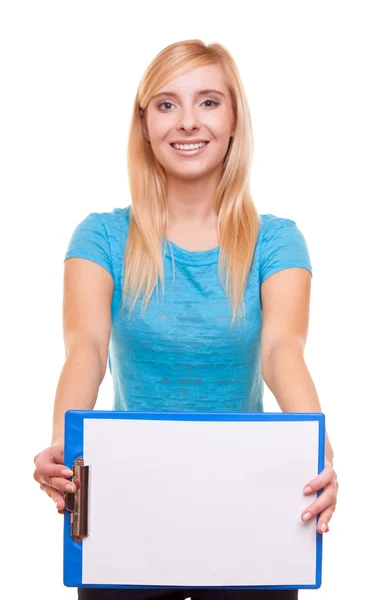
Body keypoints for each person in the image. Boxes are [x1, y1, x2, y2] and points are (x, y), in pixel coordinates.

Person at [33, 39, 339, 600]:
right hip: (128, 508)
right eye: (167, 104)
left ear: (233, 121)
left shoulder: (277, 240)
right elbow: (86, 349)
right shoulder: (100, 237)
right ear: (145, 123)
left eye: (209, 102)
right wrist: (63, 444)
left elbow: (281, 351)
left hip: (251, 510)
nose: (188, 122)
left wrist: (318, 449)